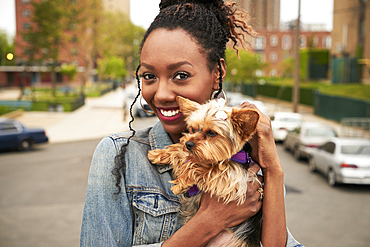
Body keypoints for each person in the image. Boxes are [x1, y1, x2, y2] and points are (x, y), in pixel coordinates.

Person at [80, 1, 304, 246]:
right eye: (149, 76)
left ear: (217, 74)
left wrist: (273, 170)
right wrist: (210, 220)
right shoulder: (118, 155)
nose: (163, 94)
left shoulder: (251, 161)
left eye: (181, 75)